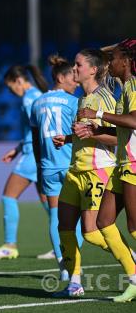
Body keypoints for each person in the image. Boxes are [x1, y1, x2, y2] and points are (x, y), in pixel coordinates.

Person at [52, 48, 117, 297]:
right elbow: (87, 134)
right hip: (75, 171)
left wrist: (89, 131)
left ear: (93, 69)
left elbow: (118, 138)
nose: (74, 69)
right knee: (65, 228)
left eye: (78, 65)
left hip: (97, 170)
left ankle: (130, 258)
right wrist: (69, 138)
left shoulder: (105, 99)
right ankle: (74, 284)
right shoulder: (82, 99)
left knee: (90, 232)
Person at [76, 39, 136, 302]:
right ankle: (134, 278)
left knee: (134, 227)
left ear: (126, 61)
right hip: (121, 164)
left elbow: (135, 121)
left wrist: (98, 114)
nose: (109, 63)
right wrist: (95, 130)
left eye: (114, 59)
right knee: (103, 222)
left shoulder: (133, 85)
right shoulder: (124, 87)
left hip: (134, 164)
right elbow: (124, 128)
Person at [0, 64, 49, 259]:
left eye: (10, 86)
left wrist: (27, 150)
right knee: (49, 202)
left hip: (33, 154)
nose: (11, 91)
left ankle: (9, 246)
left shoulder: (30, 99)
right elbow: (35, 131)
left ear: (19, 81)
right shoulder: (38, 95)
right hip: (36, 152)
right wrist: (18, 149)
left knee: (9, 196)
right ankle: (65, 243)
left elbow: (41, 129)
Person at [30, 55, 84, 280]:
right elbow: (81, 134)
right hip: (73, 164)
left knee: (55, 216)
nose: (77, 81)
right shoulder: (74, 102)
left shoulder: (37, 103)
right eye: (73, 76)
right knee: (79, 218)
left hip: (48, 167)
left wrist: (39, 168)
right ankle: (75, 266)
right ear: (60, 77)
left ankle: (64, 269)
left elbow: (35, 141)